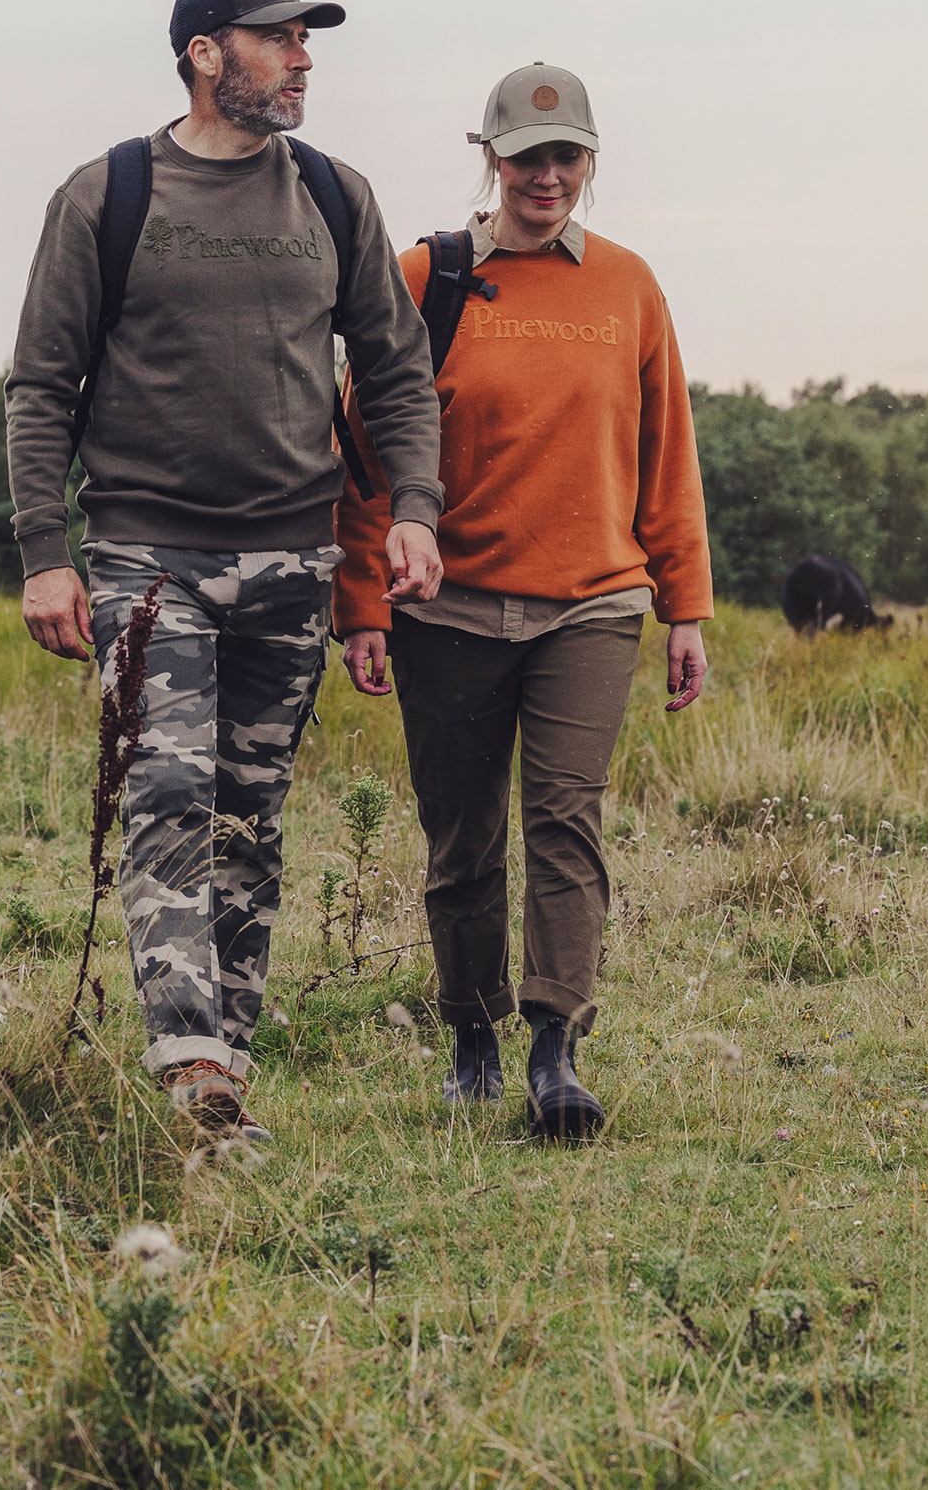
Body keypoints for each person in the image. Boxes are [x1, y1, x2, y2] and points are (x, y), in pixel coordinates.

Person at [6, 0, 444, 1141]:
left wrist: (413, 507)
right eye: (279, 38)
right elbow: (42, 386)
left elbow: (395, 365)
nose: (304, 58)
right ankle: (191, 1069)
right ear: (206, 54)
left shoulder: (337, 199)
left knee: (252, 816)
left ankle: (227, 1073)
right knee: (165, 795)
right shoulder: (109, 195)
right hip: (149, 558)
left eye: (306, 40)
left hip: (293, 565)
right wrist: (46, 552)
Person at [335, 62, 712, 1140]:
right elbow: (360, 452)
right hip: (444, 609)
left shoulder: (630, 288)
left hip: (591, 604)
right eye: (527, 156)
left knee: (565, 822)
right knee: (461, 839)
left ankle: (556, 1047)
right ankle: (471, 1036)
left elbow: (666, 454)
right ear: (490, 158)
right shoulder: (425, 278)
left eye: (567, 156)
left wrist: (685, 604)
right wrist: (362, 600)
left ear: (591, 162)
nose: (547, 176)